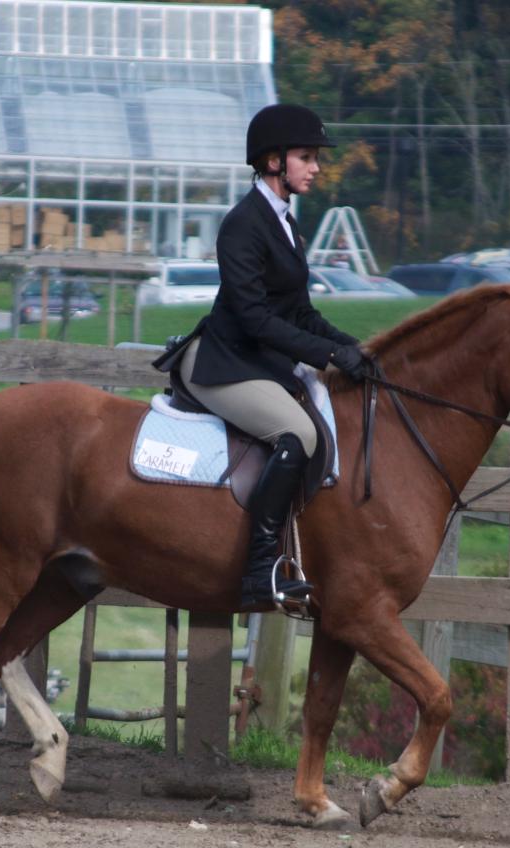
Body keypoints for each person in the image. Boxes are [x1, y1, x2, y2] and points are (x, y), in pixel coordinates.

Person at [154, 103, 370, 612]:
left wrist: (353, 347)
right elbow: (254, 318)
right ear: (273, 161)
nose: (315, 167)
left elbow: (299, 313)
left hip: (254, 362)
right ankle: (258, 571)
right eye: (306, 157)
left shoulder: (287, 226)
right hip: (221, 363)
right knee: (298, 434)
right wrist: (327, 355)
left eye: (315, 158)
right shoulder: (243, 224)